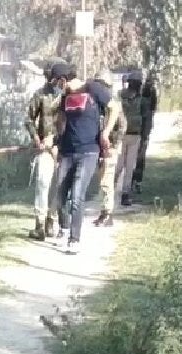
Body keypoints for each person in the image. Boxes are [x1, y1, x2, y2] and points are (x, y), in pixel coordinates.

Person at [51, 63, 119, 254]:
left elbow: (114, 108)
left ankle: (75, 239)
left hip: (89, 151)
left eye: (57, 82)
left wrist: (105, 133)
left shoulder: (93, 88)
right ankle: (64, 229)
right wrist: (58, 136)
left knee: (77, 195)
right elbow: (62, 119)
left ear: (63, 79)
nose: (56, 86)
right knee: (60, 195)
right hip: (67, 152)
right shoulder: (65, 96)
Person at [25, 62, 62, 241]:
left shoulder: (67, 96)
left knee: (57, 185)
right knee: (42, 183)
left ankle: (51, 220)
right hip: (44, 148)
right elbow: (29, 119)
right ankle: (39, 224)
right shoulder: (40, 95)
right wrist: (36, 138)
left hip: (62, 147)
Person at [93, 69, 127, 227]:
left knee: (106, 180)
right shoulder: (97, 103)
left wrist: (113, 144)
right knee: (102, 180)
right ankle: (104, 212)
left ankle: (107, 214)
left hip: (110, 147)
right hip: (99, 147)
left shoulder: (114, 103)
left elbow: (122, 126)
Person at [118, 70, 146, 207]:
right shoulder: (138, 99)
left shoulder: (121, 96)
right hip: (129, 135)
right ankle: (121, 194)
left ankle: (120, 193)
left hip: (128, 135)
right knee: (125, 166)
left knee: (124, 166)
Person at [133, 72, 158, 193]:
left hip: (136, 131)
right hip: (143, 131)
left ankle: (133, 181)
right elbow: (153, 109)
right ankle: (137, 182)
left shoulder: (138, 98)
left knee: (134, 157)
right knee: (140, 157)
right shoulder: (150, 100)